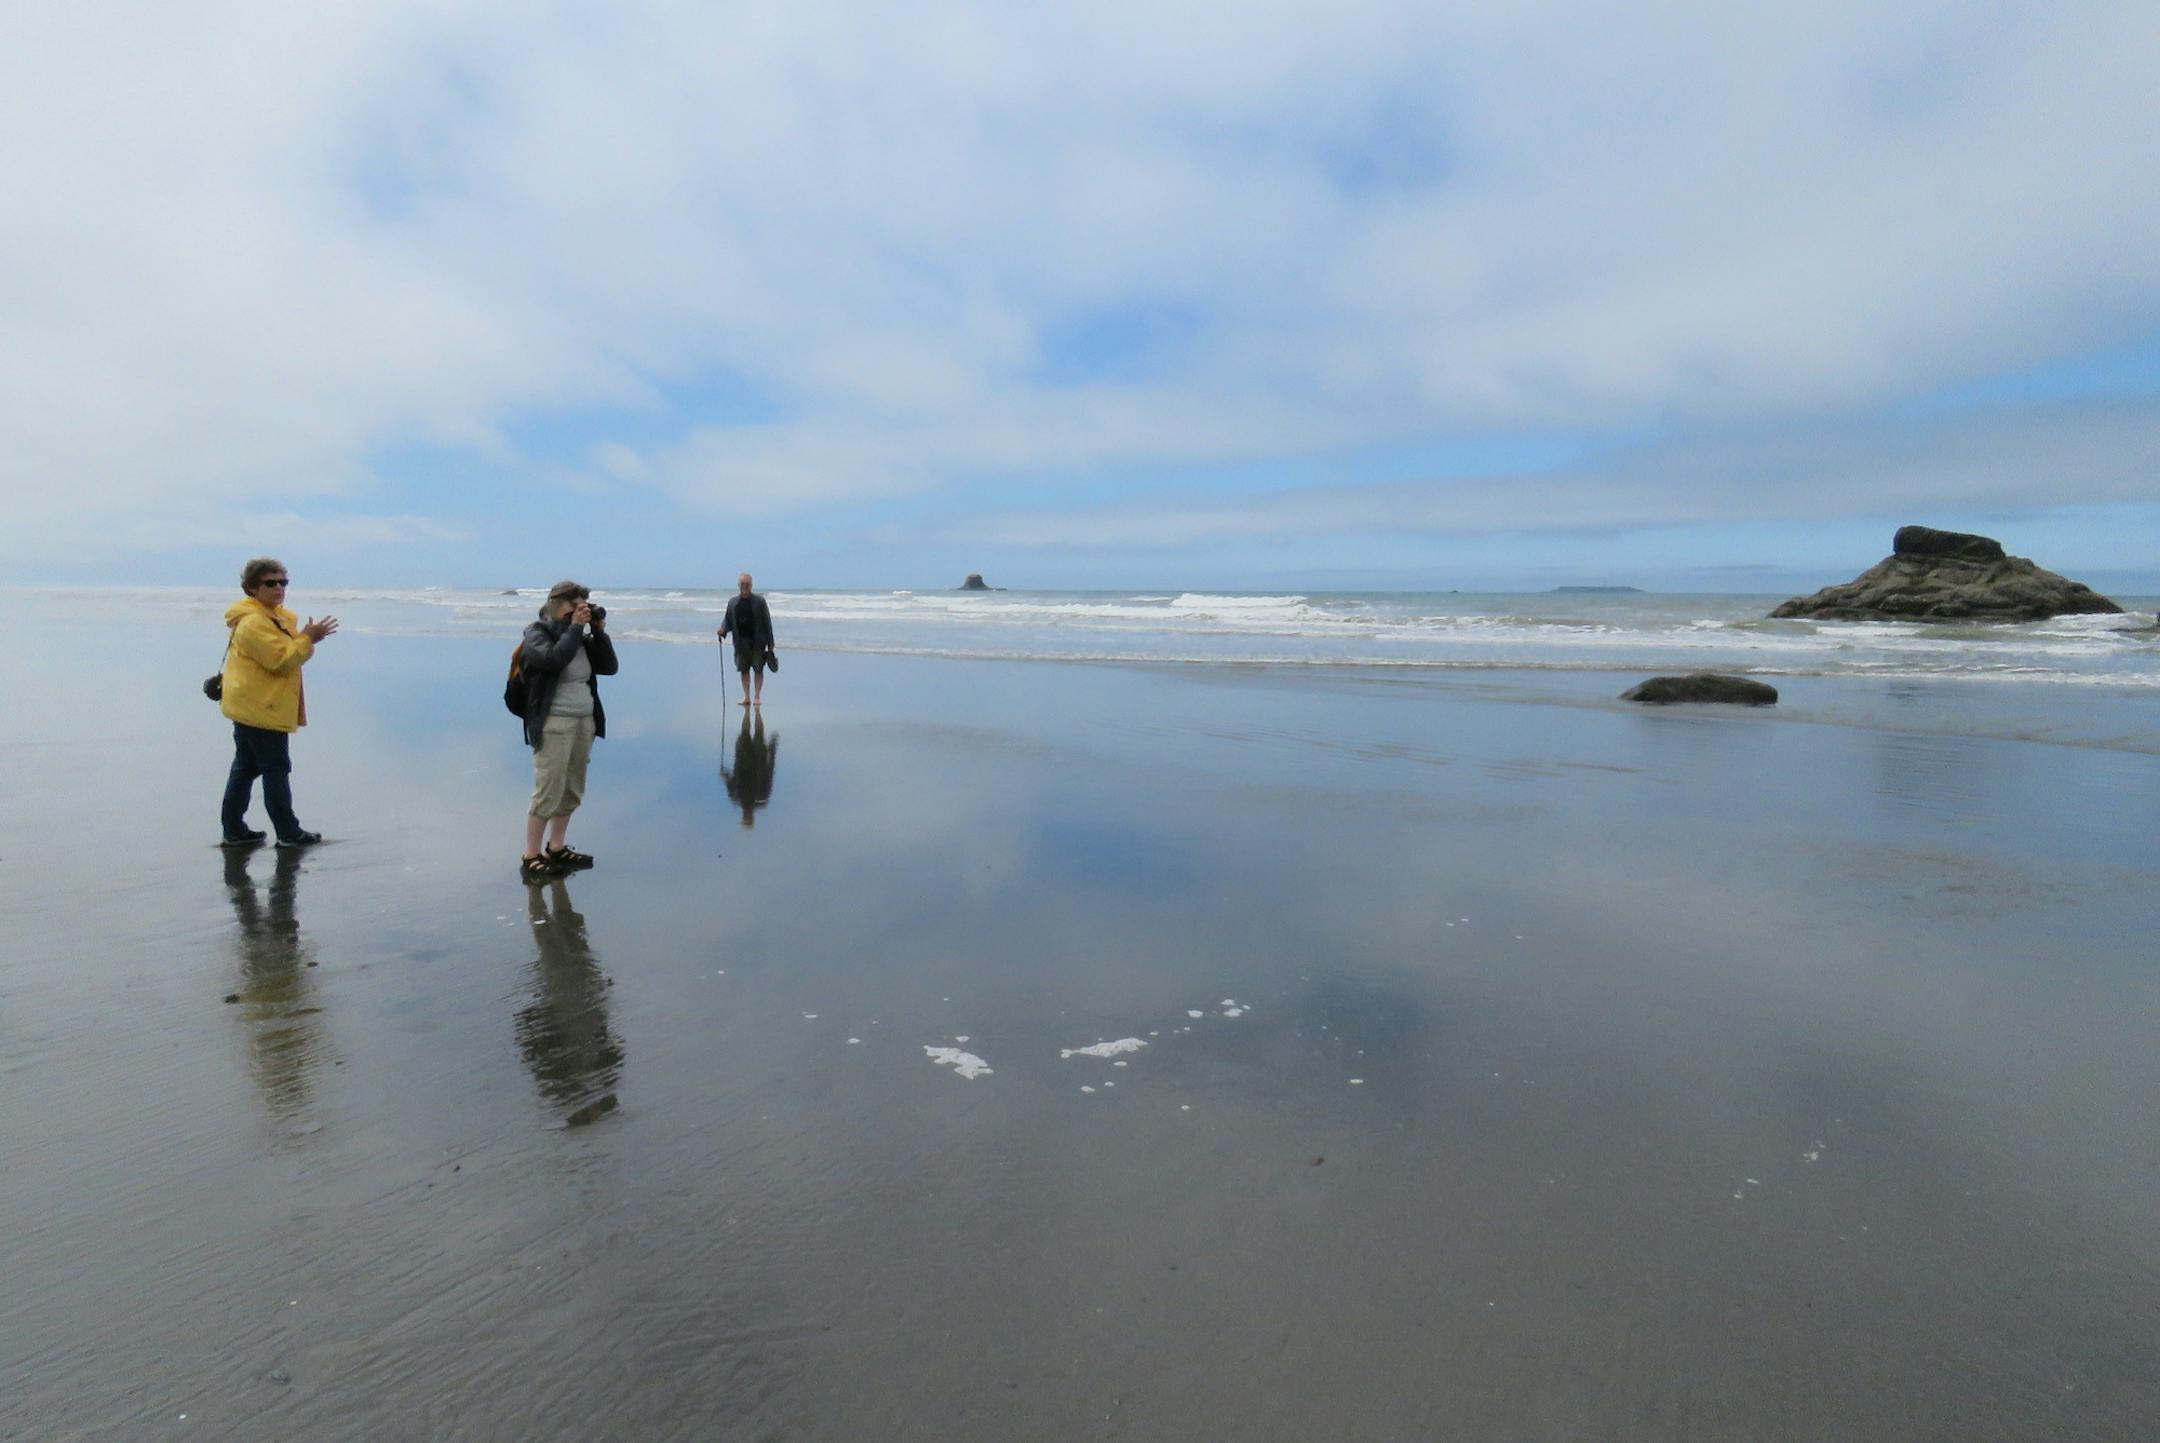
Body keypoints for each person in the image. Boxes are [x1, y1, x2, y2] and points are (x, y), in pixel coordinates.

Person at [220, 557, 337, 847]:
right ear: (251, 588)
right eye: (270, 583)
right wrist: (308, 639)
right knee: (275, 768)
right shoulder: (254, 623)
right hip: (262, 707)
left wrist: (308, 639)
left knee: (246, 767)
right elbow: (282, 661)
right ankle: (288, 832)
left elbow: (287, 652)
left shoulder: (273, 618)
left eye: (283, 582)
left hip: (253, 705)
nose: (278, 588)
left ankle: (234, 830)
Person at [519, 580, 619, 883]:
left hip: (583, 720)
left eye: (583, 606)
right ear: (555, 603)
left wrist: (598, 631)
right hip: (554, 721)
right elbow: (552, 660)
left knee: (572, 786)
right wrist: (575, 628)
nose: (578, 611)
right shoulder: (537, 633)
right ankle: (531, 856)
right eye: (574, 606)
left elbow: (609, 667)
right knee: (549, 788)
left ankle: (557, 847)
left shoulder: (580, 637)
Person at [715, 572, 774, 706]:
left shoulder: (760, 601)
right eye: (742, 584)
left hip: (758, 642)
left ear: (751, 585)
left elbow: (767, 622)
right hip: (741, 643)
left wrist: (771, 643)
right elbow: (728, 621)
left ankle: (757, 697)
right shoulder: (733, 602)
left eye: (747, 584)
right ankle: (747, 697)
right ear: (738, 585)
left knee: (758, 669)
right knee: (744, 669)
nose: (745, 586)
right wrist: (722, 630)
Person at [721, 711, 778, 828]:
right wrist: (772, 750)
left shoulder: (737, 797)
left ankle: (754, 711)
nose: (746, 816)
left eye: (745, 818)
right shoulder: (761, 798)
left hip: (748, 757)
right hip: (753, 758)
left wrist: (725, 774)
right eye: (747, 818)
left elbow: (730, 781)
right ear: (752, 818)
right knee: (753, 733)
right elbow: (769, 773)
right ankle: (752, 712)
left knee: (755, 733)